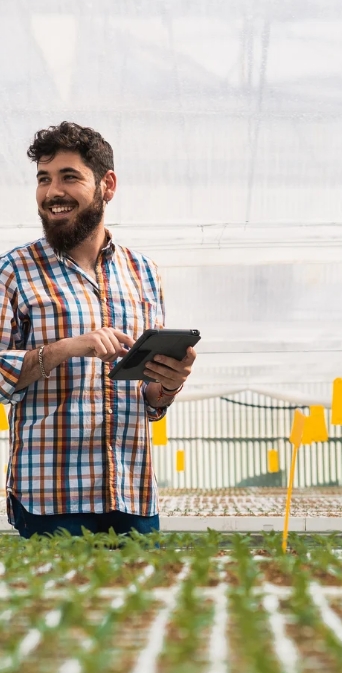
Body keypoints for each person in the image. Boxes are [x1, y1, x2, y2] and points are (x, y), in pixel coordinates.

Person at [0, 121, 196, 538]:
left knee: (140, 603)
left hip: (132, 493)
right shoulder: (14, 271)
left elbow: (146, 399)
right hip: (50, 501)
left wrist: (166, 387)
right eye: (44, 179)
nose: (53, 192)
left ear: (107, 185)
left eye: (69, 177)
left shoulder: (142, 272)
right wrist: (65, 349)